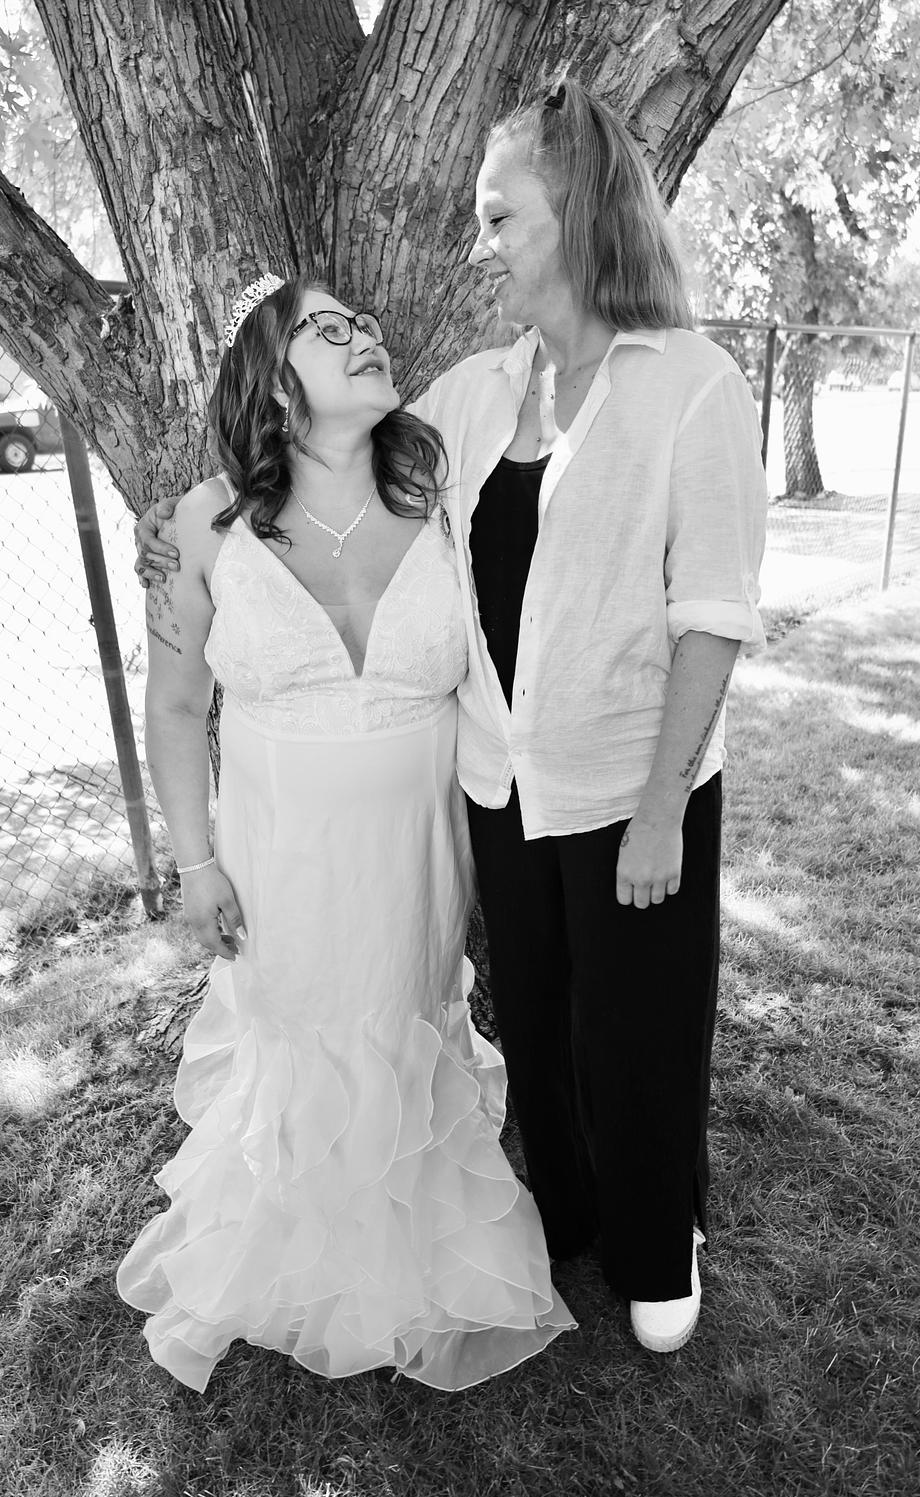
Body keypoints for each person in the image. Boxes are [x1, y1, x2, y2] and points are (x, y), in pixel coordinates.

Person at [137, 79, 767, 1356]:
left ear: (575, 216)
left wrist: (662, 806)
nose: (480, 249)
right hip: (481, 792)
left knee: (637, 1029)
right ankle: (568, 1216)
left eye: (499, 218)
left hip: (614, 784)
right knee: (535, 1024)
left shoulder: (685, 386)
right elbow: (300, 475)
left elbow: (711, 612)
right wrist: (186, 517)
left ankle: (659, 1249)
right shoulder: (475, 397)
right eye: (482, 222)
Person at [117, 274, 574, 1393]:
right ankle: (299, 1248)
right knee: (304, 1038)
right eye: (328, 331)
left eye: (363, 323)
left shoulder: (445, 495)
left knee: (407, 1016)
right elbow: (174, 709)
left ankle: (410, 1234)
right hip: (283, 857)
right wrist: (194, 863)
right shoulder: (201, 526)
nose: (364, 334)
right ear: (275, 386)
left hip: (417, 854)